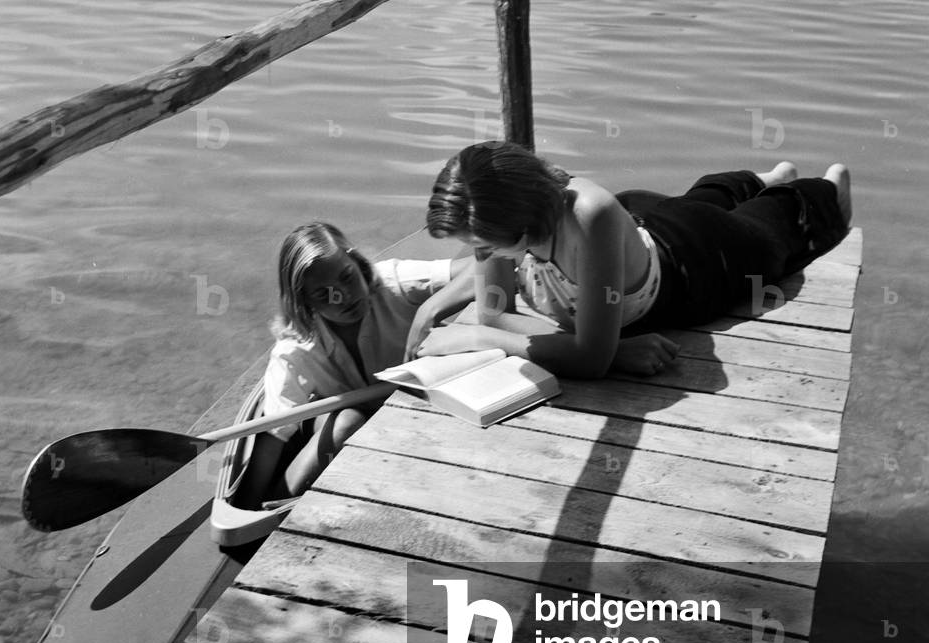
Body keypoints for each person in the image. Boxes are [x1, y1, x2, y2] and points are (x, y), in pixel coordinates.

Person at [411, 141, 851, 380]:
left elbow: (585, 359)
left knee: (769, 233)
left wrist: (479, 337)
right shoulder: (501, 220)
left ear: (521, 223)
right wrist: (606, 348)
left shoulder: (587, 215)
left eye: (484, 247)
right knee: (701, 198)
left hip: (696, 263)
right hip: (646, 222)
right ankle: (762, 178)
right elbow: (495, 315)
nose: (479, 256)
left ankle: (823, 190)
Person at [247, 222, 475, 498]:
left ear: (357, 263)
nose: (343, 296)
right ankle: (278, 502)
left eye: (347, 276)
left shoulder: (393, 281)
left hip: (409, 412)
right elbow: (272, 435)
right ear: (304, 303)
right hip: (343, 424)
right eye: (323, 294)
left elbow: (480, 268)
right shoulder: (294, 349)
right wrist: (246, 506)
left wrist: (428, 311)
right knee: (348, 421)